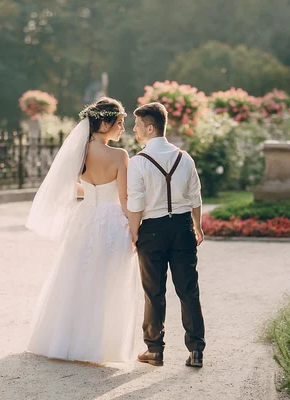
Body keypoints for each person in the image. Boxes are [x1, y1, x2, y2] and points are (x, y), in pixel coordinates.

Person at [25, 97, 139, 363]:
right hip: (111, 220)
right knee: (106, 282)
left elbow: (69, 186)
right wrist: (135, 229)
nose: (123, 129)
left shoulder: (79, 151)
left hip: (85, 217)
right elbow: (125, 200)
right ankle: (98, 346)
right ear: (106, 122)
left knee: (76, 277)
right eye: (120, 123)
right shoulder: (120, 156)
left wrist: (89, 190)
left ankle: (63, 341)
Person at [127, 102, 206, 368]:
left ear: (150, 128)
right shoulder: (185, 157)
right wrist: (198, 225)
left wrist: (134, 233)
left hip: (152, 230)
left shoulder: (138, 162)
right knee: (188, 290)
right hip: (183, 228)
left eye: (137, 125)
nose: (134, 129)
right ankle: (196, 350)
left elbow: (136, 203)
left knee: (154, 292)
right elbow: (195, 196)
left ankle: (154, 349)